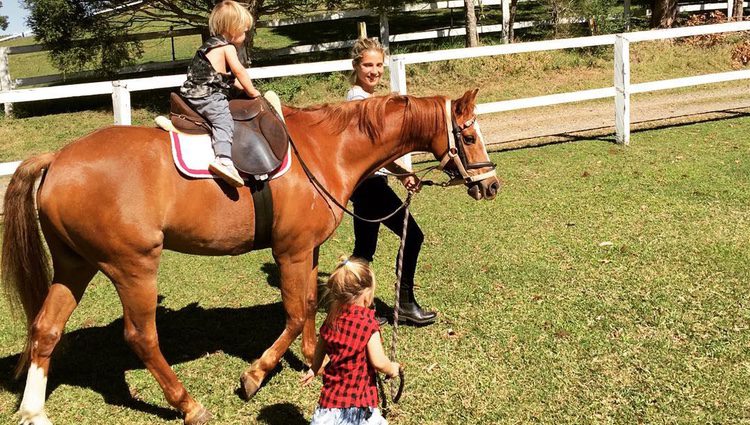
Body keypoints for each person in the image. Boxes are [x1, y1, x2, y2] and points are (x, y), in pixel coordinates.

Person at [346, 38, 437, 326]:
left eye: (378, 65)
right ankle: (405, 304)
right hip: (369, 186)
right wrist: (402, 173)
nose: (374, 71)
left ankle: (352, 305)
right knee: (413, 236)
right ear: (356, 66)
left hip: (368, 186)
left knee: (363, 250)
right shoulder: (358, 101)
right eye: (368, 65)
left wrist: (401, 173)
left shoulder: (366, 98)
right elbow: (375, 150)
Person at [301, 257, 400, 425]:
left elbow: (320, 347)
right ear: (366, 295)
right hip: (359, 406)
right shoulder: (368, 324)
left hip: (329, 406)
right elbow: (378, 362)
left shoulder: (331, 320)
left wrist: (314, 368)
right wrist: (392, 368)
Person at [180, 0, 262, 187]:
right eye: (243, 29)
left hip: (195, 91)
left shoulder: (209, 45)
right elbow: (240, 72)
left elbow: (227, 79)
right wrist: (253, 92)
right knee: (223, 119)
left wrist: (240, 89)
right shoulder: (227, 48)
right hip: (207, 95)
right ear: (232, 29)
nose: (246, 33)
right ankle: (223, 159)